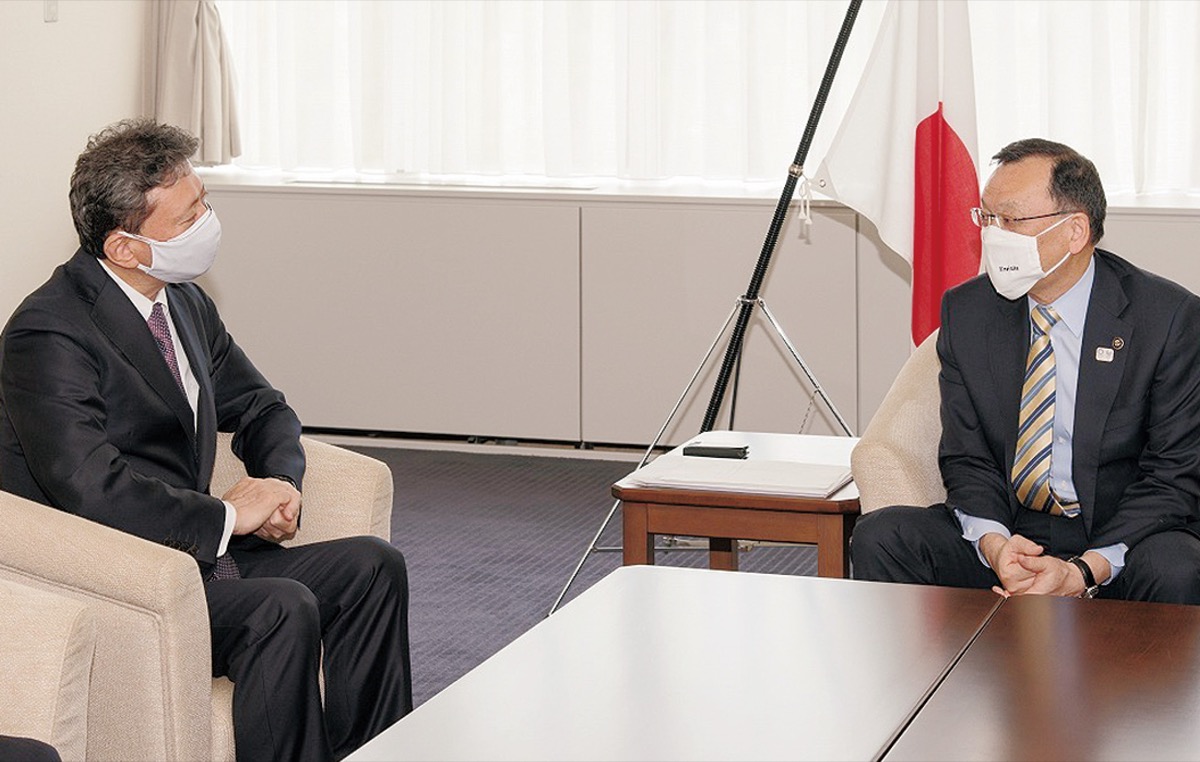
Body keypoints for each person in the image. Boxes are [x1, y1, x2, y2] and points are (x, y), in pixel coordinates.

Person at [0, 119, 412, 761]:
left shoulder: (184, 304)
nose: (207, 223)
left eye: (204, 203)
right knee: (282, 607)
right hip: (127, 572)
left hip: (199, 556)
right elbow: (89, 487)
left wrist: (279, 483)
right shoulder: (48, 333)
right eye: (189, 216)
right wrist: (226, 516)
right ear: (125, 248)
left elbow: (263, 407)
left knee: (373, 567)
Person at [852, 138, 1200, 604]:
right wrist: (996, 546)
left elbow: (1173, 474)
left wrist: (1084, 569)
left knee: (1178, 569)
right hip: (1014, 529)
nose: (993, 235)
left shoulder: (1167, 319)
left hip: (1121, 536)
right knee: (882, 536)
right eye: (987, 217)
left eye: (1010, 220)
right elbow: (966, 456)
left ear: (1075, 231)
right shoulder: (968, 312)